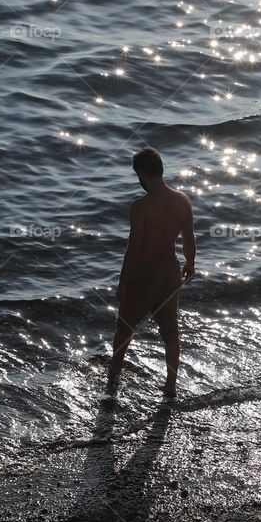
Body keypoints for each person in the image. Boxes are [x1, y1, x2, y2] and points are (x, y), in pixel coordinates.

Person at [109, 146, 195, 396]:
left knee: (125, 326)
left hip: (145, 272)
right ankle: (170, 385)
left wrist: (124, 282)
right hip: (170, 269)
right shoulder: (182, 200)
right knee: (170, 330)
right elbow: (188, 237)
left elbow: (134, 248)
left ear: (141, 174)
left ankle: (114, 374)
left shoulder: (140, 207)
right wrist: (190, 263)